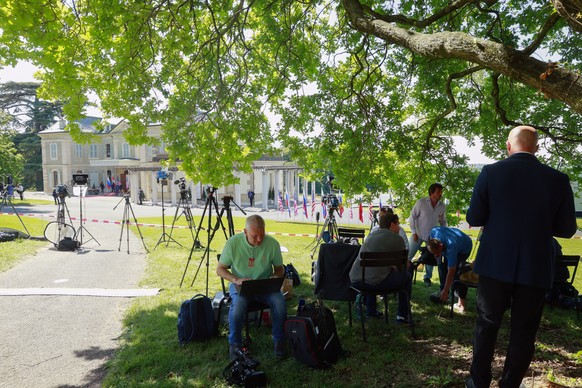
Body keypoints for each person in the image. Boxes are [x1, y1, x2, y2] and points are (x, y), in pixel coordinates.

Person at [465, 125, 576, 388]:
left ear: (508, 146)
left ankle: (478, 382)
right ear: (537, 148)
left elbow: (474, 217)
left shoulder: (491, 172)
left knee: (487, 324)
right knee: (524, 332)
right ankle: (510, 384)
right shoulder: (558, 179)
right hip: (535, 266)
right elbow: (567, 229)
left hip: (494, 264)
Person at [216, 215, 287, 361]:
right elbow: (220, 269)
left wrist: (274, 277)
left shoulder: (272, 244)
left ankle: (279, 340)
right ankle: (235, 344)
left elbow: (280, 269)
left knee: (280, 303)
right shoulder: (233, 243)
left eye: (262, 235)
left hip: (265, 286)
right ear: (245, 232)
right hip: (240, 285)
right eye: (255, 236)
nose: (260, 240)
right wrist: (236, 279)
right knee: (238, 306)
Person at [349, 212, 412, 323]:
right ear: (392, 225)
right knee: (406, 277)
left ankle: (371, 311)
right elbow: (403, 267)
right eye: (398, 224)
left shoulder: (371, 236)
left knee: (372, 273)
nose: (399, 228)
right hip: (378, 284)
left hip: (358, 282)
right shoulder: (397, 239)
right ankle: (402, 316)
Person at [407, 183, 447, 287]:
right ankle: (405, 276)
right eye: (438, 192)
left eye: (441, 192)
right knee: (408, 255)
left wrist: (443, 234)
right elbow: (412, 217)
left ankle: (427, 278)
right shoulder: (421, 202)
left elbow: (443, 222)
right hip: (418, 235)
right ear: (431, 192)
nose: (440, 194)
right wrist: (414, 232)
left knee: (430, 258)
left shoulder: (442, 206)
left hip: (433, 237)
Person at [425, 226, 473, 313]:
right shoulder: (434, 231)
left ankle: (456, 298)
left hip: (464, 248)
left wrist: (446, 289)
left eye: (438, 253)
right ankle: (443, 292)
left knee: (456, 273)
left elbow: (451, 271)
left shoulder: (451, 247)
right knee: (442, 266)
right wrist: (437, 255)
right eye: (434, 254)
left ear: (441, 245)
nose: (436, 255)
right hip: (453, 240)